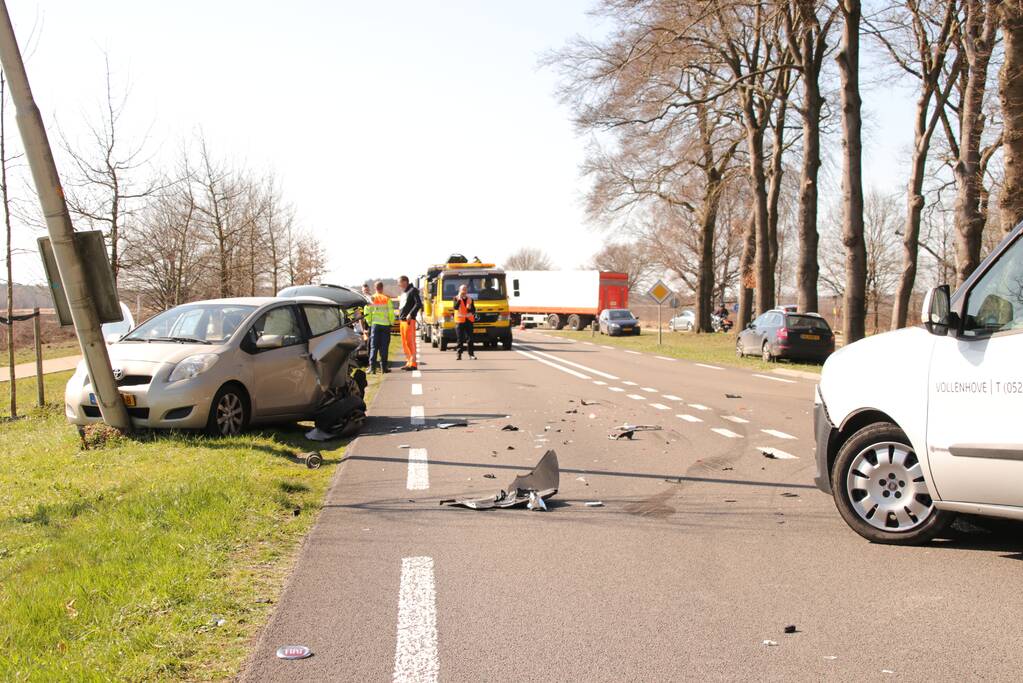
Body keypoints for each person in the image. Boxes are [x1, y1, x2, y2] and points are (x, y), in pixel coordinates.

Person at [363, 281, 395, 373]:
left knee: (373, 347)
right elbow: (391, 313)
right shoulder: (386, 299)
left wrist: (369, 323)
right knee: (384, 347)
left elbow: (367, 312)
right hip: (385, 326)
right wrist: (391, 323)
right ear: (382, 288)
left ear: (375, 288)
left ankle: (372, 368)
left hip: (375, 325)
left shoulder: (371, 298)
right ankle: (383, 368)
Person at [397, 275, 423, 371]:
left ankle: (413, 364)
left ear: (405, 282)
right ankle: (408, 362)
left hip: (409, 321)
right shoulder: (404, 292)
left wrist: (411, 314)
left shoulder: (413, 290)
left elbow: (418, 303)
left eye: (399, 282)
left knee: (410, 342)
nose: (398, 284)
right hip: (402, 321)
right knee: (405, 343)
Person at [453, 284, 477, 361]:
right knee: (460, 339)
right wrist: (459, 300)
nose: (464, 291)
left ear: (467, 291)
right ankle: (459, 354)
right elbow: (455, 307)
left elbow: (473, 310)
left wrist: (470, 310)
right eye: (462, 289)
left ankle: (471, 355)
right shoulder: (456, 298)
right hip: (459, 321)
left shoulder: (470, 299)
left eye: (465, 289)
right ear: (459, 290)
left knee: (470, 339)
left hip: (469, 321)